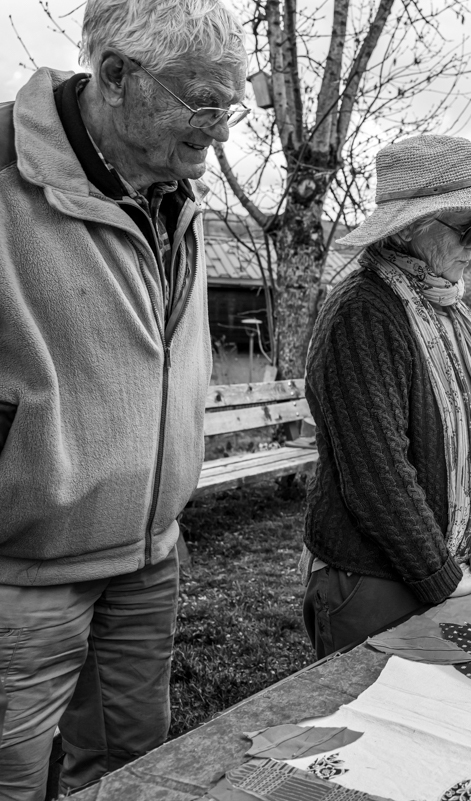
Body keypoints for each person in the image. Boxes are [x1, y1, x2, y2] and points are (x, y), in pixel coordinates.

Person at [0, 0, 247, 795]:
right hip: (23, 570)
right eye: (200, 101)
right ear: (114, 76)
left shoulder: (176, 187)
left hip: (148, 556)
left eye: (229, 103)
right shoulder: (6, 168)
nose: (219, 128)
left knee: (132, 772)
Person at [301, 134, 471, 659]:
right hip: (376, 577)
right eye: (468, 228)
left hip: (444, 565)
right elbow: (375, 469)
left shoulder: (449, 307)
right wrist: (439, 575)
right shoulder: (365, 311)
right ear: (412, 229)